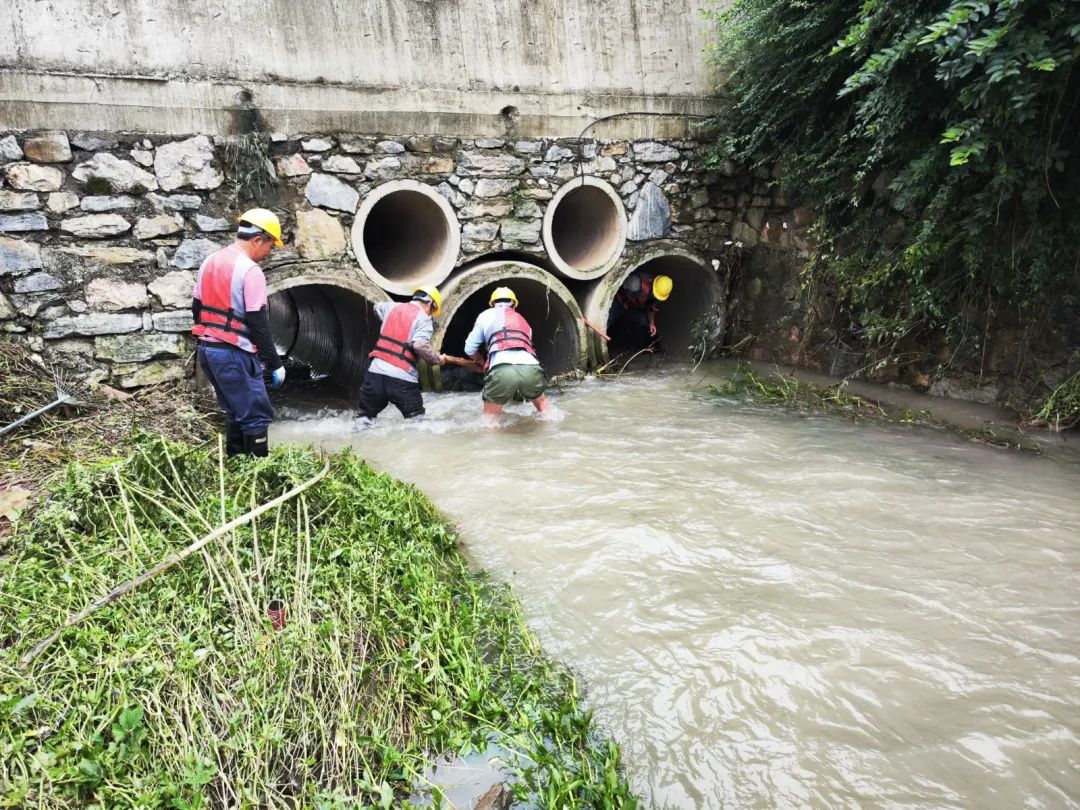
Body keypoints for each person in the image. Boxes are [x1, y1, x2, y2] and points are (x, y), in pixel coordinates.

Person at [192, 208, 286, 458]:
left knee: (234, 410)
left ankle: (236, 464)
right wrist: (274, 362)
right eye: (270, 246)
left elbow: (197, 308)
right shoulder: (250, 270)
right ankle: (259, 472)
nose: (269, 253)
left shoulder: (209, 262)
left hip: (207, 351)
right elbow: (258, 322)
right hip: (234, 353)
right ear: (258, 240)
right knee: (256, 415)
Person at [355, 286, 446, 426]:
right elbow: (420, 345)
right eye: (433, 310)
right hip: (401, 378)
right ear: (430, 303)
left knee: (364, 418)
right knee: (417, 422)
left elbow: (376, 307)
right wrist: (436, 360)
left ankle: (355, 445)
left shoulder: (391, 307)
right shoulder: (424, 319)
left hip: (375, 373)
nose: (431, 313)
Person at [464, 286, 551, 423]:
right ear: (514, 305)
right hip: (531, 367)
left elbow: (469, 348)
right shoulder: (523, 320)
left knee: (489, 420)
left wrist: (479, 359)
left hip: (501, 368)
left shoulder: (485, 315)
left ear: (492, 304)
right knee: (544, 408)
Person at [608, 272, 673, 351]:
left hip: (633, 309)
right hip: (619, 303)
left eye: (657, 296)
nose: (655, 297)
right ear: (653, 285)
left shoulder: (658, 295)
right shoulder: (635, 283)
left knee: (645, 324)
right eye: (655, 294)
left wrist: (652, 322)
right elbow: (613, 287)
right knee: (608, 318)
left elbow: (651, 308)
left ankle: (643, 348)